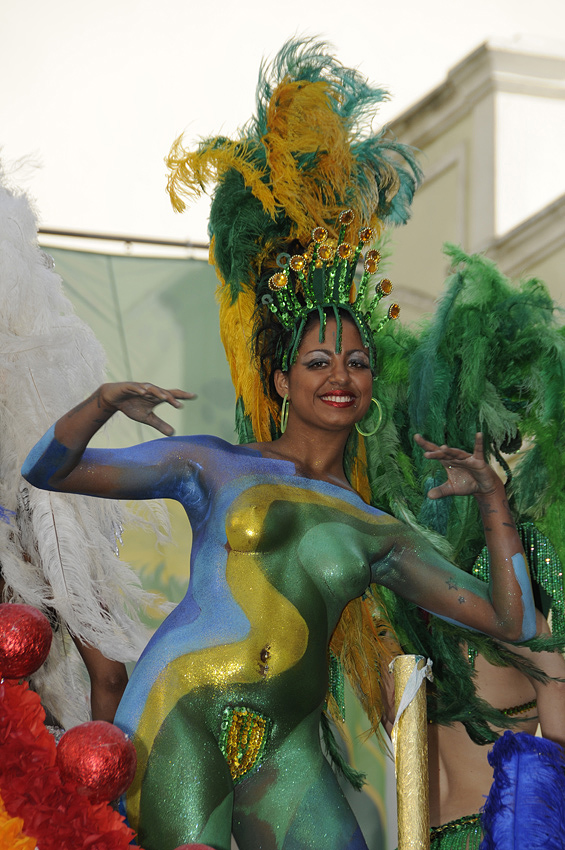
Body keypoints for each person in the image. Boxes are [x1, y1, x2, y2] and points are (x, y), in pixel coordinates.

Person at [22, 302, 536, 850]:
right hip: (181, 712)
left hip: (285, 743)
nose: (340, 376)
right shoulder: (214, 464)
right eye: (318, 362)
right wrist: (101, 403)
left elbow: (512, 620)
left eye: (356, 362)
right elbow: (49, 469)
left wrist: (491, 498)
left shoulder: (376, 530)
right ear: (282, 382)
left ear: (371, 384)